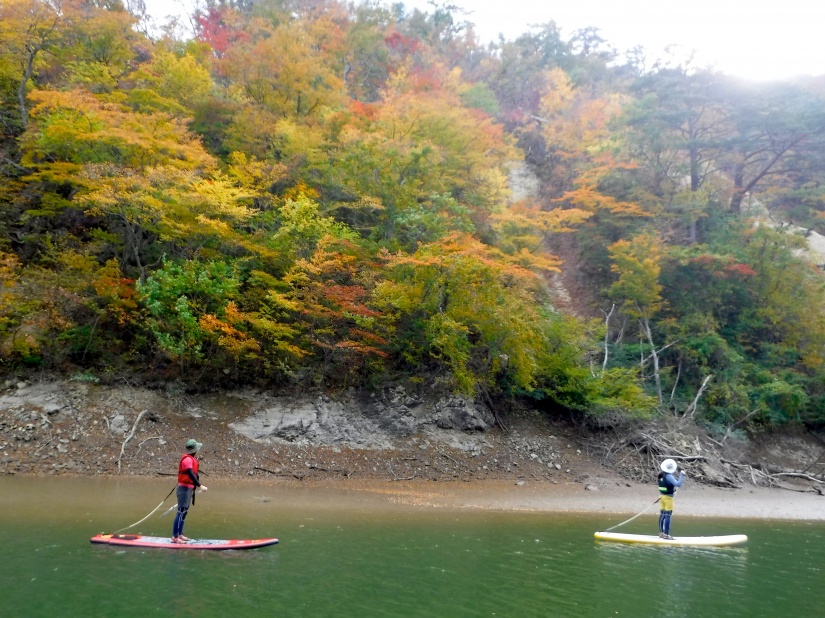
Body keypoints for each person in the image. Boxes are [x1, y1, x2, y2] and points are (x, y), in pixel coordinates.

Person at [172, 439, 207, 544]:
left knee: (184, 512)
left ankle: (180, 534)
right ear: (195, 450)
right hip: (183, 489)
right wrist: (200, 486)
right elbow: (191, 474)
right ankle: (175, 536)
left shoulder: (191, 459)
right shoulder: (187, 460)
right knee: (180, 511)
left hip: (188, 489)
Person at [657, 458, 685, 539]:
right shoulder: (669, 476)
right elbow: (678, 484)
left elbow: (668, 485)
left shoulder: (661, 474)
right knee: (667, 515)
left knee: (662, 515)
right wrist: (682, 475)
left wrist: (673, 489)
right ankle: (666, 535)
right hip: (668, 499)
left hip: (661, 497)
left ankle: (661, 533)